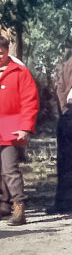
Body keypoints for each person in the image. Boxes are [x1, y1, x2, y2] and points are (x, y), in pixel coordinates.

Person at [0, 34, 39, 226]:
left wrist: (25, 127)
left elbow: (29, 101)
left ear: (7, 51)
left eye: (1, 53)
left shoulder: (20, 72)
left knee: (10, 170)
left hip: (12, 129)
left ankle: (18, 207)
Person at [55, 53, 72, 213]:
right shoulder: (70, 62)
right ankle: (63, 203)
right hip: (69, 115)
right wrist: (65, 109)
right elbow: (60, 87)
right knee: (65, 160)